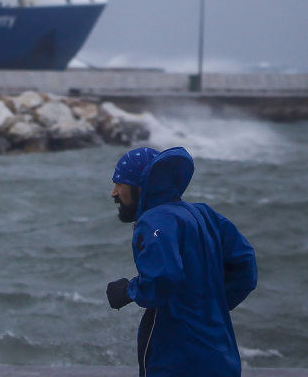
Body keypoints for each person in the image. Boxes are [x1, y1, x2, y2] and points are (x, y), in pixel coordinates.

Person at [106, 146, 257, 377]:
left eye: (120, 183)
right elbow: (245, 265)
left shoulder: (153, 220)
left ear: (139, 185)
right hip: (220, 353)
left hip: (176, 359)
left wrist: (127, 291)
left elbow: (161, 277)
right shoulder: (204, 213)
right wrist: (207, 307)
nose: (114, 193)